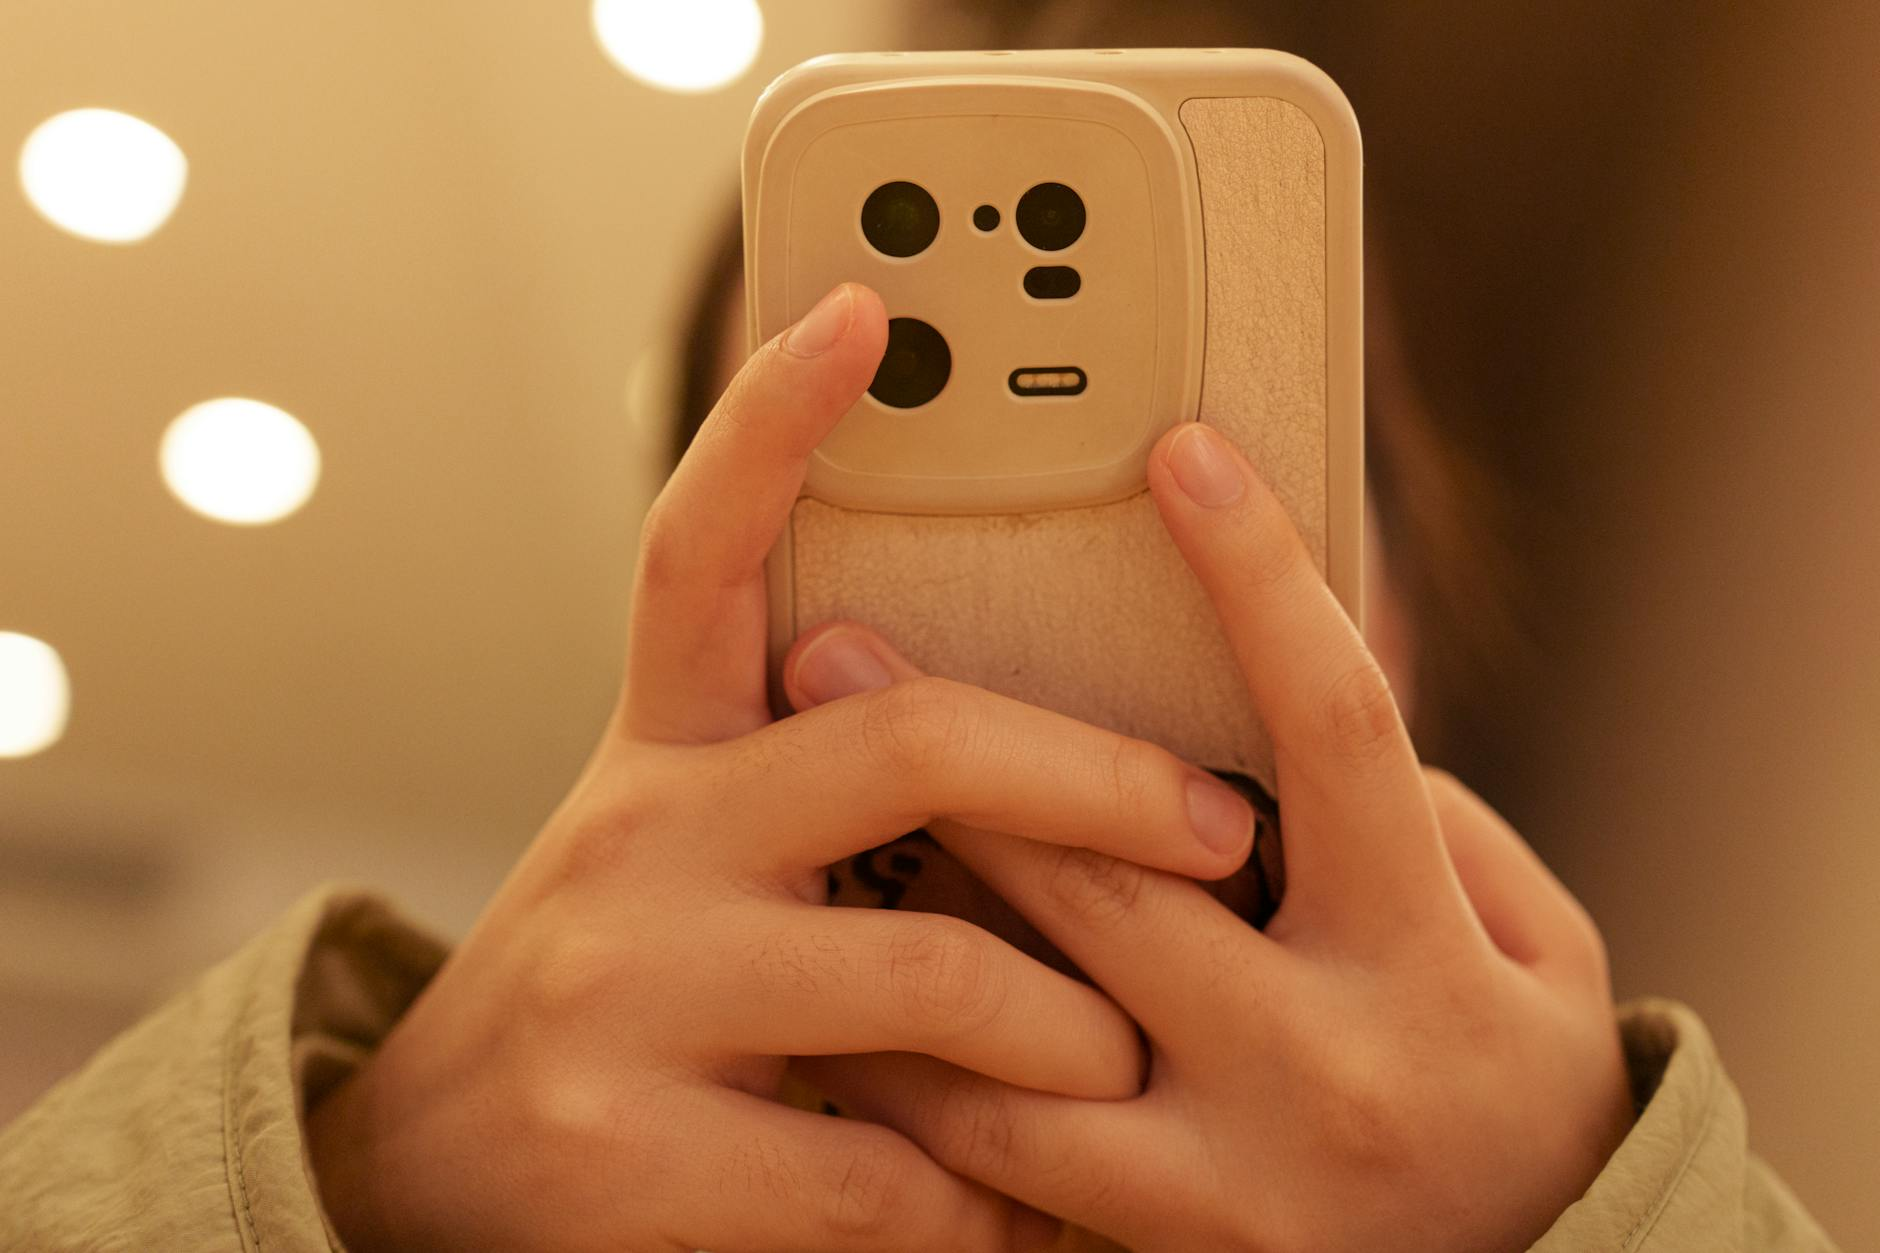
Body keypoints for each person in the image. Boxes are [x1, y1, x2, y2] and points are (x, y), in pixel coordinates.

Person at [0, 11, 1847, 1253]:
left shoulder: (1561, 1192)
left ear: (1406, 644)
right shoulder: (481, 1191)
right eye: (878, 485)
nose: (1022, 657)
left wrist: (1583, 1221)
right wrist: (354, 1191)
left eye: (1216, 479)